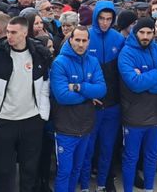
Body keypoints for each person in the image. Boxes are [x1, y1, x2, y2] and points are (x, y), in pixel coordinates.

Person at [0, 15, 51, 192]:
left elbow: (45, 85)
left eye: (13, 32)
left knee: (29, 169)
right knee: (3, 170)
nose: (9, 36)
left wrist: (42, 114)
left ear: (24, 33)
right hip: (4, 121)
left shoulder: (38, 54)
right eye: (7, 32)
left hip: (31, 120)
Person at [118, 17, 157, 192]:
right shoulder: (126, 53)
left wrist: (146, 80)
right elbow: (134, 83)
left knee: (151, 156)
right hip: (134, 115)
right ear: (135, 33)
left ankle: (149, 189)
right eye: (142, 32)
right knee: (131, 157)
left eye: (149, 32)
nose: (145, 36)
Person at [50, 26, 106, 192]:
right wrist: (89, 94)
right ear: (70, 40)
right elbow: (62, 96)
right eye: (77, 40)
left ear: (89, 42)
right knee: (64, 172)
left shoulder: (93, 61)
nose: (81, 44)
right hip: (65, 128)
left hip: (86, 126)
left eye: (84, 40)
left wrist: (77, 87)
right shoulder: (59, 63)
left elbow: (102, 90)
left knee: (77, 169)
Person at [80, 1, 125, 192]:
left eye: (108, 19)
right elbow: (76, 67)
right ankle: (83, 183)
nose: (105, 22)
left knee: (108, 146)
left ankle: (104, 181)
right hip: (91, 103)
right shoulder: (85, 36)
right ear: (95, 17)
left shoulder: (118, 38)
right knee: (88, 147)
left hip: (113, 103)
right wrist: (87, 94)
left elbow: (123, 71)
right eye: (101, 18)